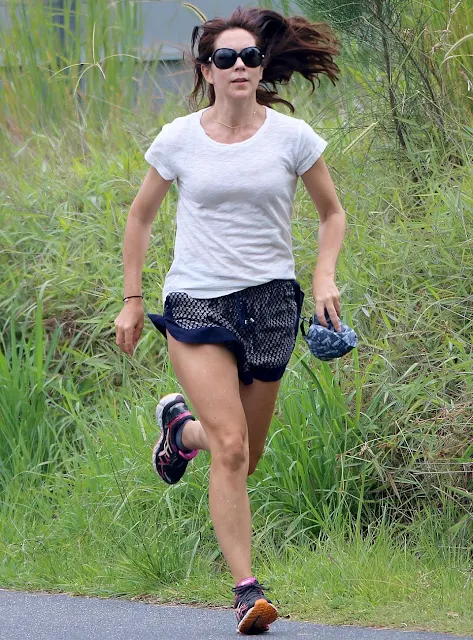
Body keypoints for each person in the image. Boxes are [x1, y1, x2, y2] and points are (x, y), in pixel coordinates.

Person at [114, 6, 345, 635]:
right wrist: (134, 300)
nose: (239, 66)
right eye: (226, 58)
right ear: (206, 68)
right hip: (198, 301)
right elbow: (139, 219)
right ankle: (247, 592)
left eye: (250, 57)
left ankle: (179, 432)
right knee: (234, 446)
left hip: (272, 304)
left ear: (262, 65)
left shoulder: (292, 139)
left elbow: (331, 214)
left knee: (247, 454)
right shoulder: (179, 137)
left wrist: (323, 275)